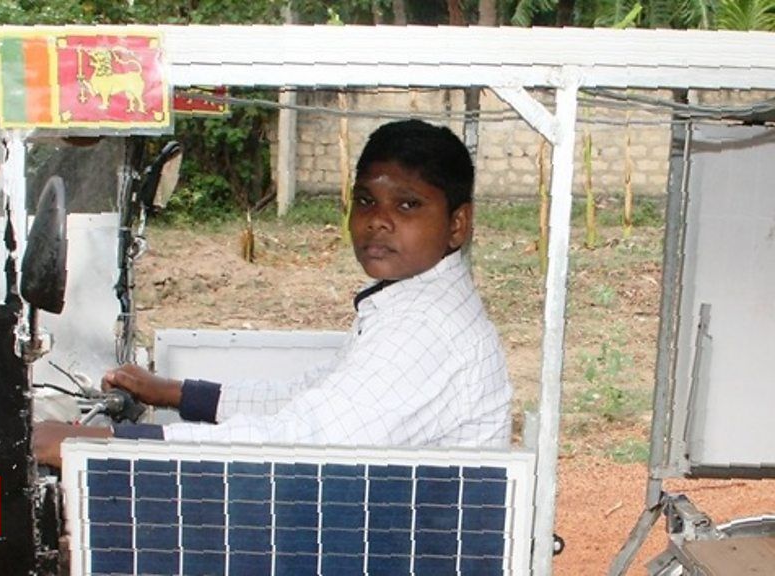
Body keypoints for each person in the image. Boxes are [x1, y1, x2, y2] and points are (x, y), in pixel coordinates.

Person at [34, 119, 512, 468]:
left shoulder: (425, 328)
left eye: (408, 205)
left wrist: (95, 445)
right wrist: (175, 393)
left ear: (457, 224)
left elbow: (301, 439)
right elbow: (304, 398)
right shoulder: (411, 301)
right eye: (366, 200)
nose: (377, 220)